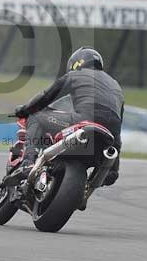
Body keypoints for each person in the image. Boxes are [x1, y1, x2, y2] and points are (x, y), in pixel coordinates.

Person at [14, 46, 124, 186]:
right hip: (108, 137)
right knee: (110, 173)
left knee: (36, 117)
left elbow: (46, 97)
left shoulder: (76, 75)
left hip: (85, 122)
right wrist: (114, 167)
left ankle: (27, 163)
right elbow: (117, 126)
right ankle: (86, 187)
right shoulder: (116, 87)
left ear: (77, 63)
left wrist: (24, 110)